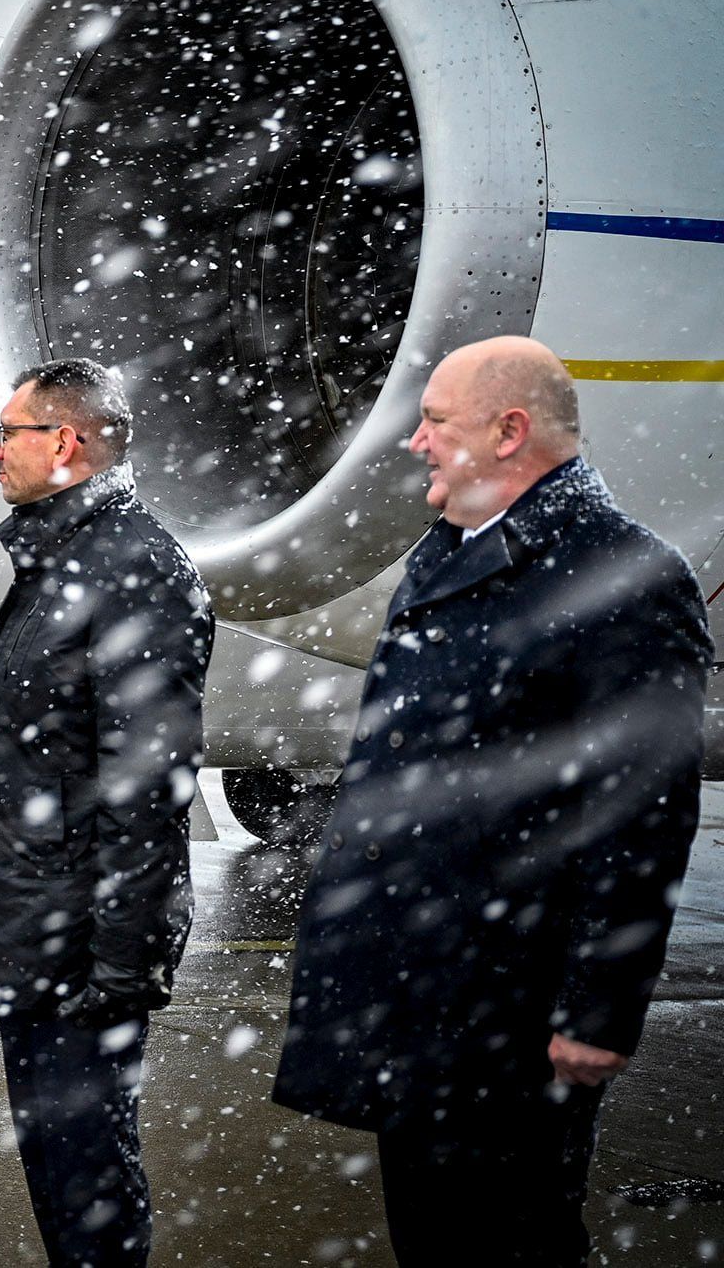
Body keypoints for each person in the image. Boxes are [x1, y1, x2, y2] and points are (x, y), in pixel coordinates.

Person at [273, 336, 713, 1267]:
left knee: (513, 1240)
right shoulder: (450, 554)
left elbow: (642, 817)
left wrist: (599, 1009)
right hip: (421, 993)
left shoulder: (626, 575)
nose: (414, 443)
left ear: (511, 431)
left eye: (435, 422)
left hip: (506, 1003)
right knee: (434, 1237)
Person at [0, 358, 212, 1268]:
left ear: (66, 441)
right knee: (58, 1159)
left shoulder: (131, 567)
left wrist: (122, 964)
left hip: (82, 941)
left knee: (88, 1169)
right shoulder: (63, 553)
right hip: (41, 924)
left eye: (10, 432)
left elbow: (147, 783)